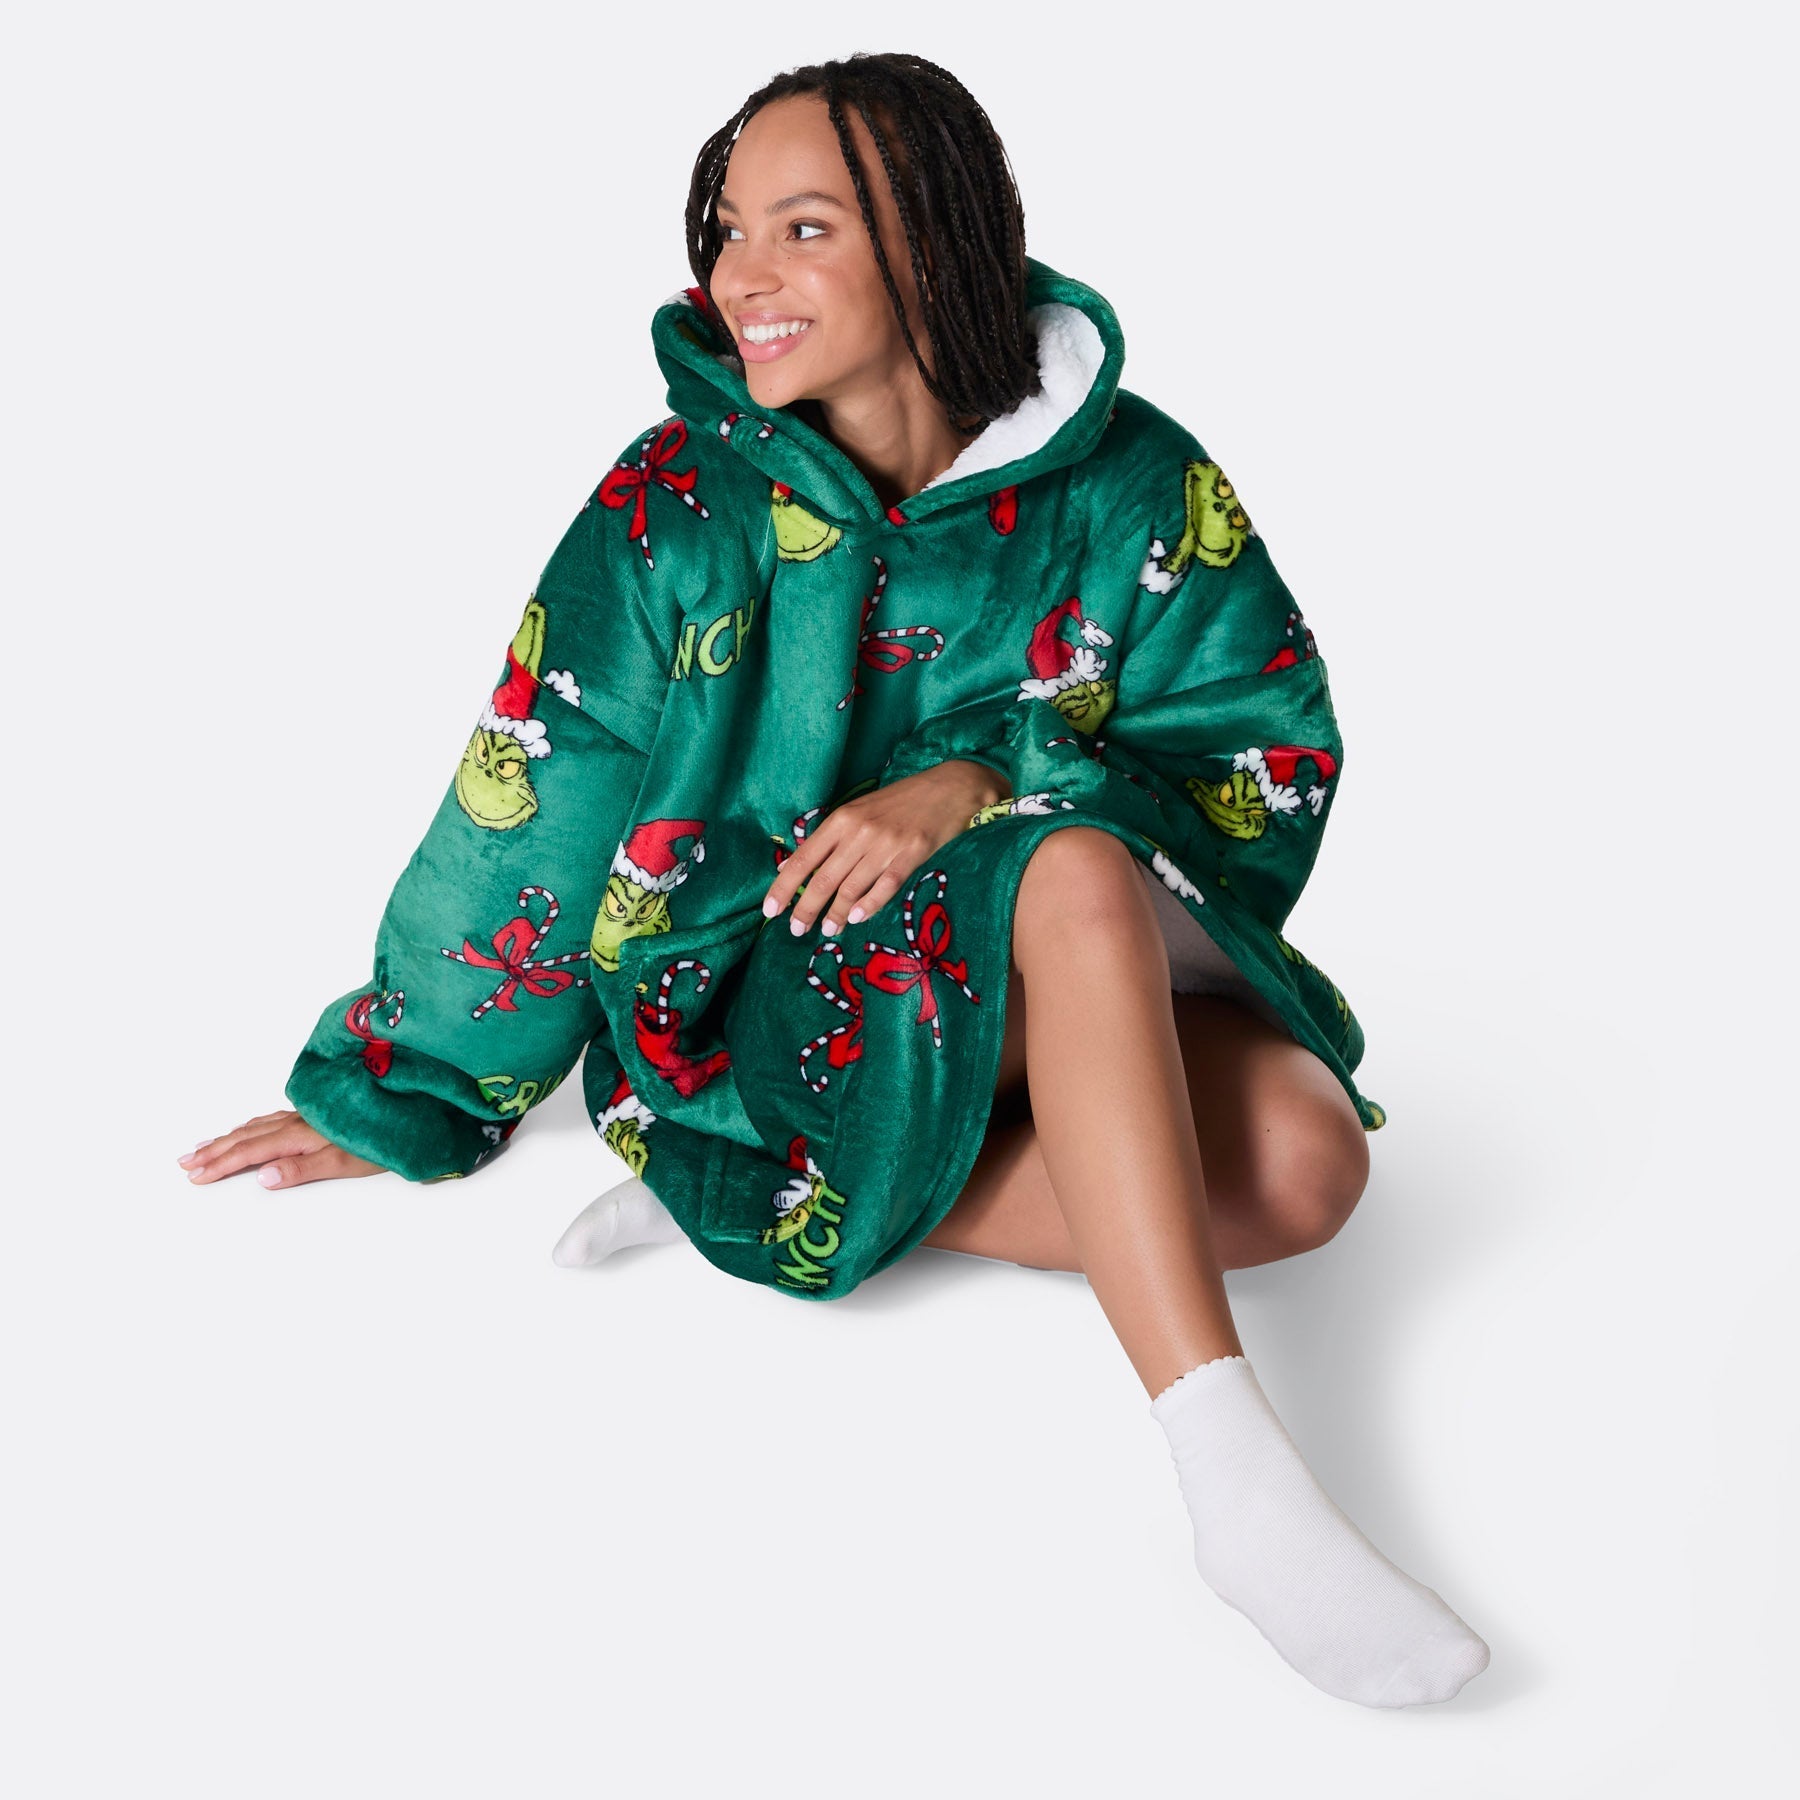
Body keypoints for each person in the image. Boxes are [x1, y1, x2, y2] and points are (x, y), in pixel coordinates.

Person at [177, 52, 1488, 1708]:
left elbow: (1261, 754)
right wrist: (409, 1086)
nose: (744, 275)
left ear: (934, 240)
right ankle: (1232, 1474)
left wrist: (982, 779)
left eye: (803, 228)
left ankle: (769, 1192)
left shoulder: (1135, 484)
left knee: (1303, 1165)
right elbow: (542, 788)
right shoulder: (675, 506)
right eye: (728, 229)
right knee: (1076, 877)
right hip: (762, 1002)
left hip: (1027, 997)